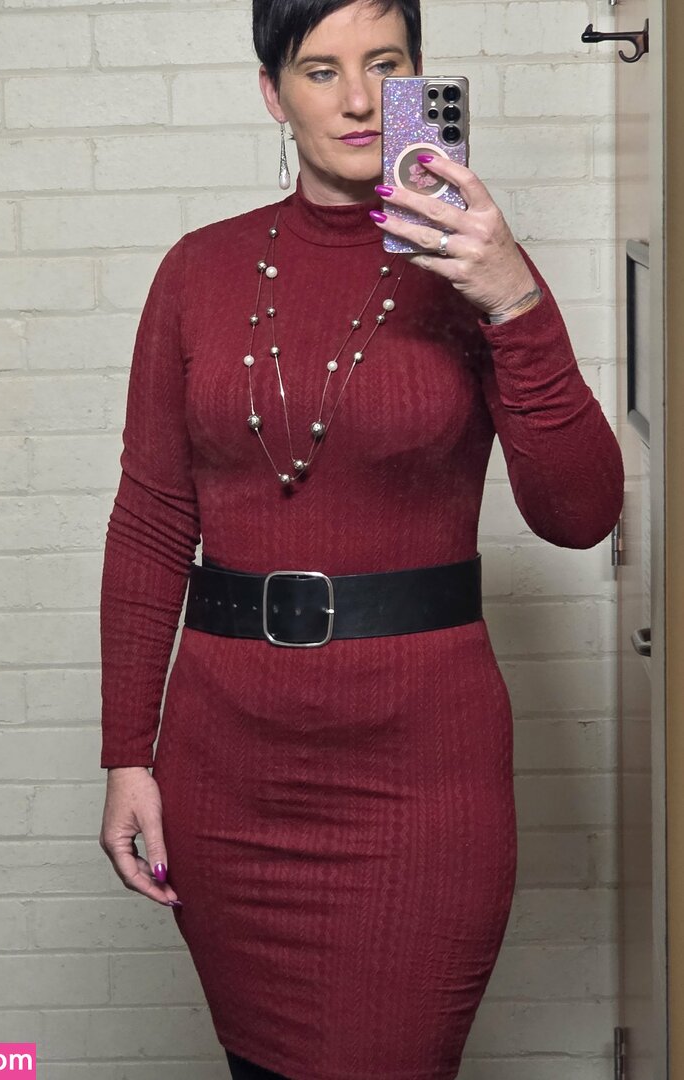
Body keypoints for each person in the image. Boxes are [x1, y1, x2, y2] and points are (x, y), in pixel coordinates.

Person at [98, 0, 625, 1077]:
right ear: (273, 93)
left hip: (421, 775)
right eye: (319, 69)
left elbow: (580, 516)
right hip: (227, 771)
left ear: (418, 79)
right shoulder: (197, 270)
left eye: (383, 65)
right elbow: (150, 524)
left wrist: (513, 299)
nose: (354, 100)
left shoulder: (477, 266)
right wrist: (126, 755)